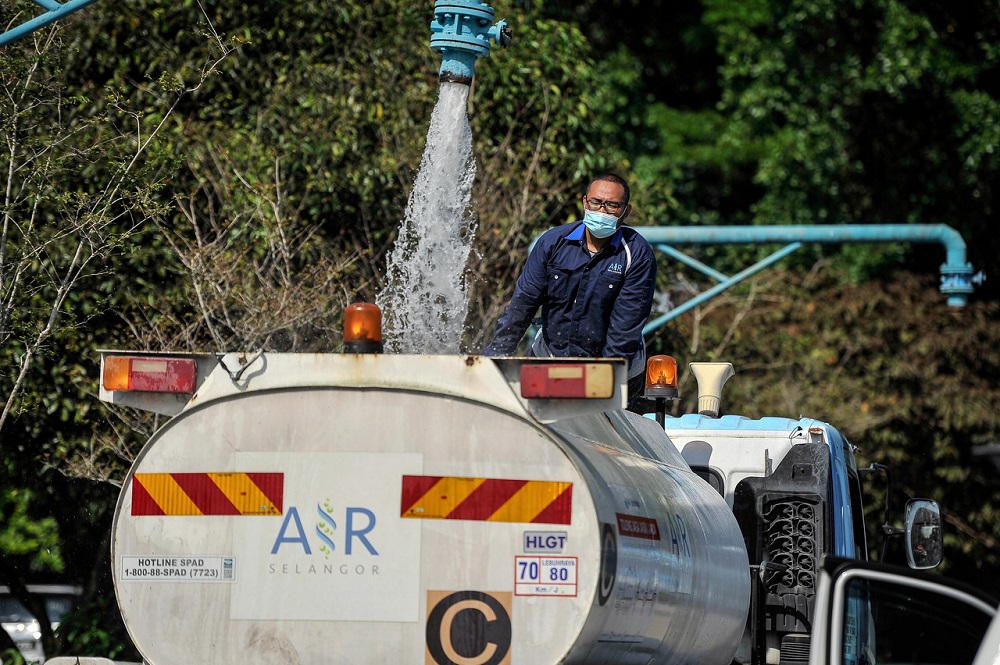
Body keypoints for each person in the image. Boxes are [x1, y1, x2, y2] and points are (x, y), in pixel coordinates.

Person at [482, 173, 657, 408]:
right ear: (585, 202)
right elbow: (523, 303)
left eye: (613, 205)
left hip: (614, 370)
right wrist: (496, 358)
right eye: (596, 202)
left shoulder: (637, 254)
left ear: (626, 211)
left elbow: (625, 328)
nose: (602, 210)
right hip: (550, 360)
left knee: (601, 442)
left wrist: (601, 383)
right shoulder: (553, 242)